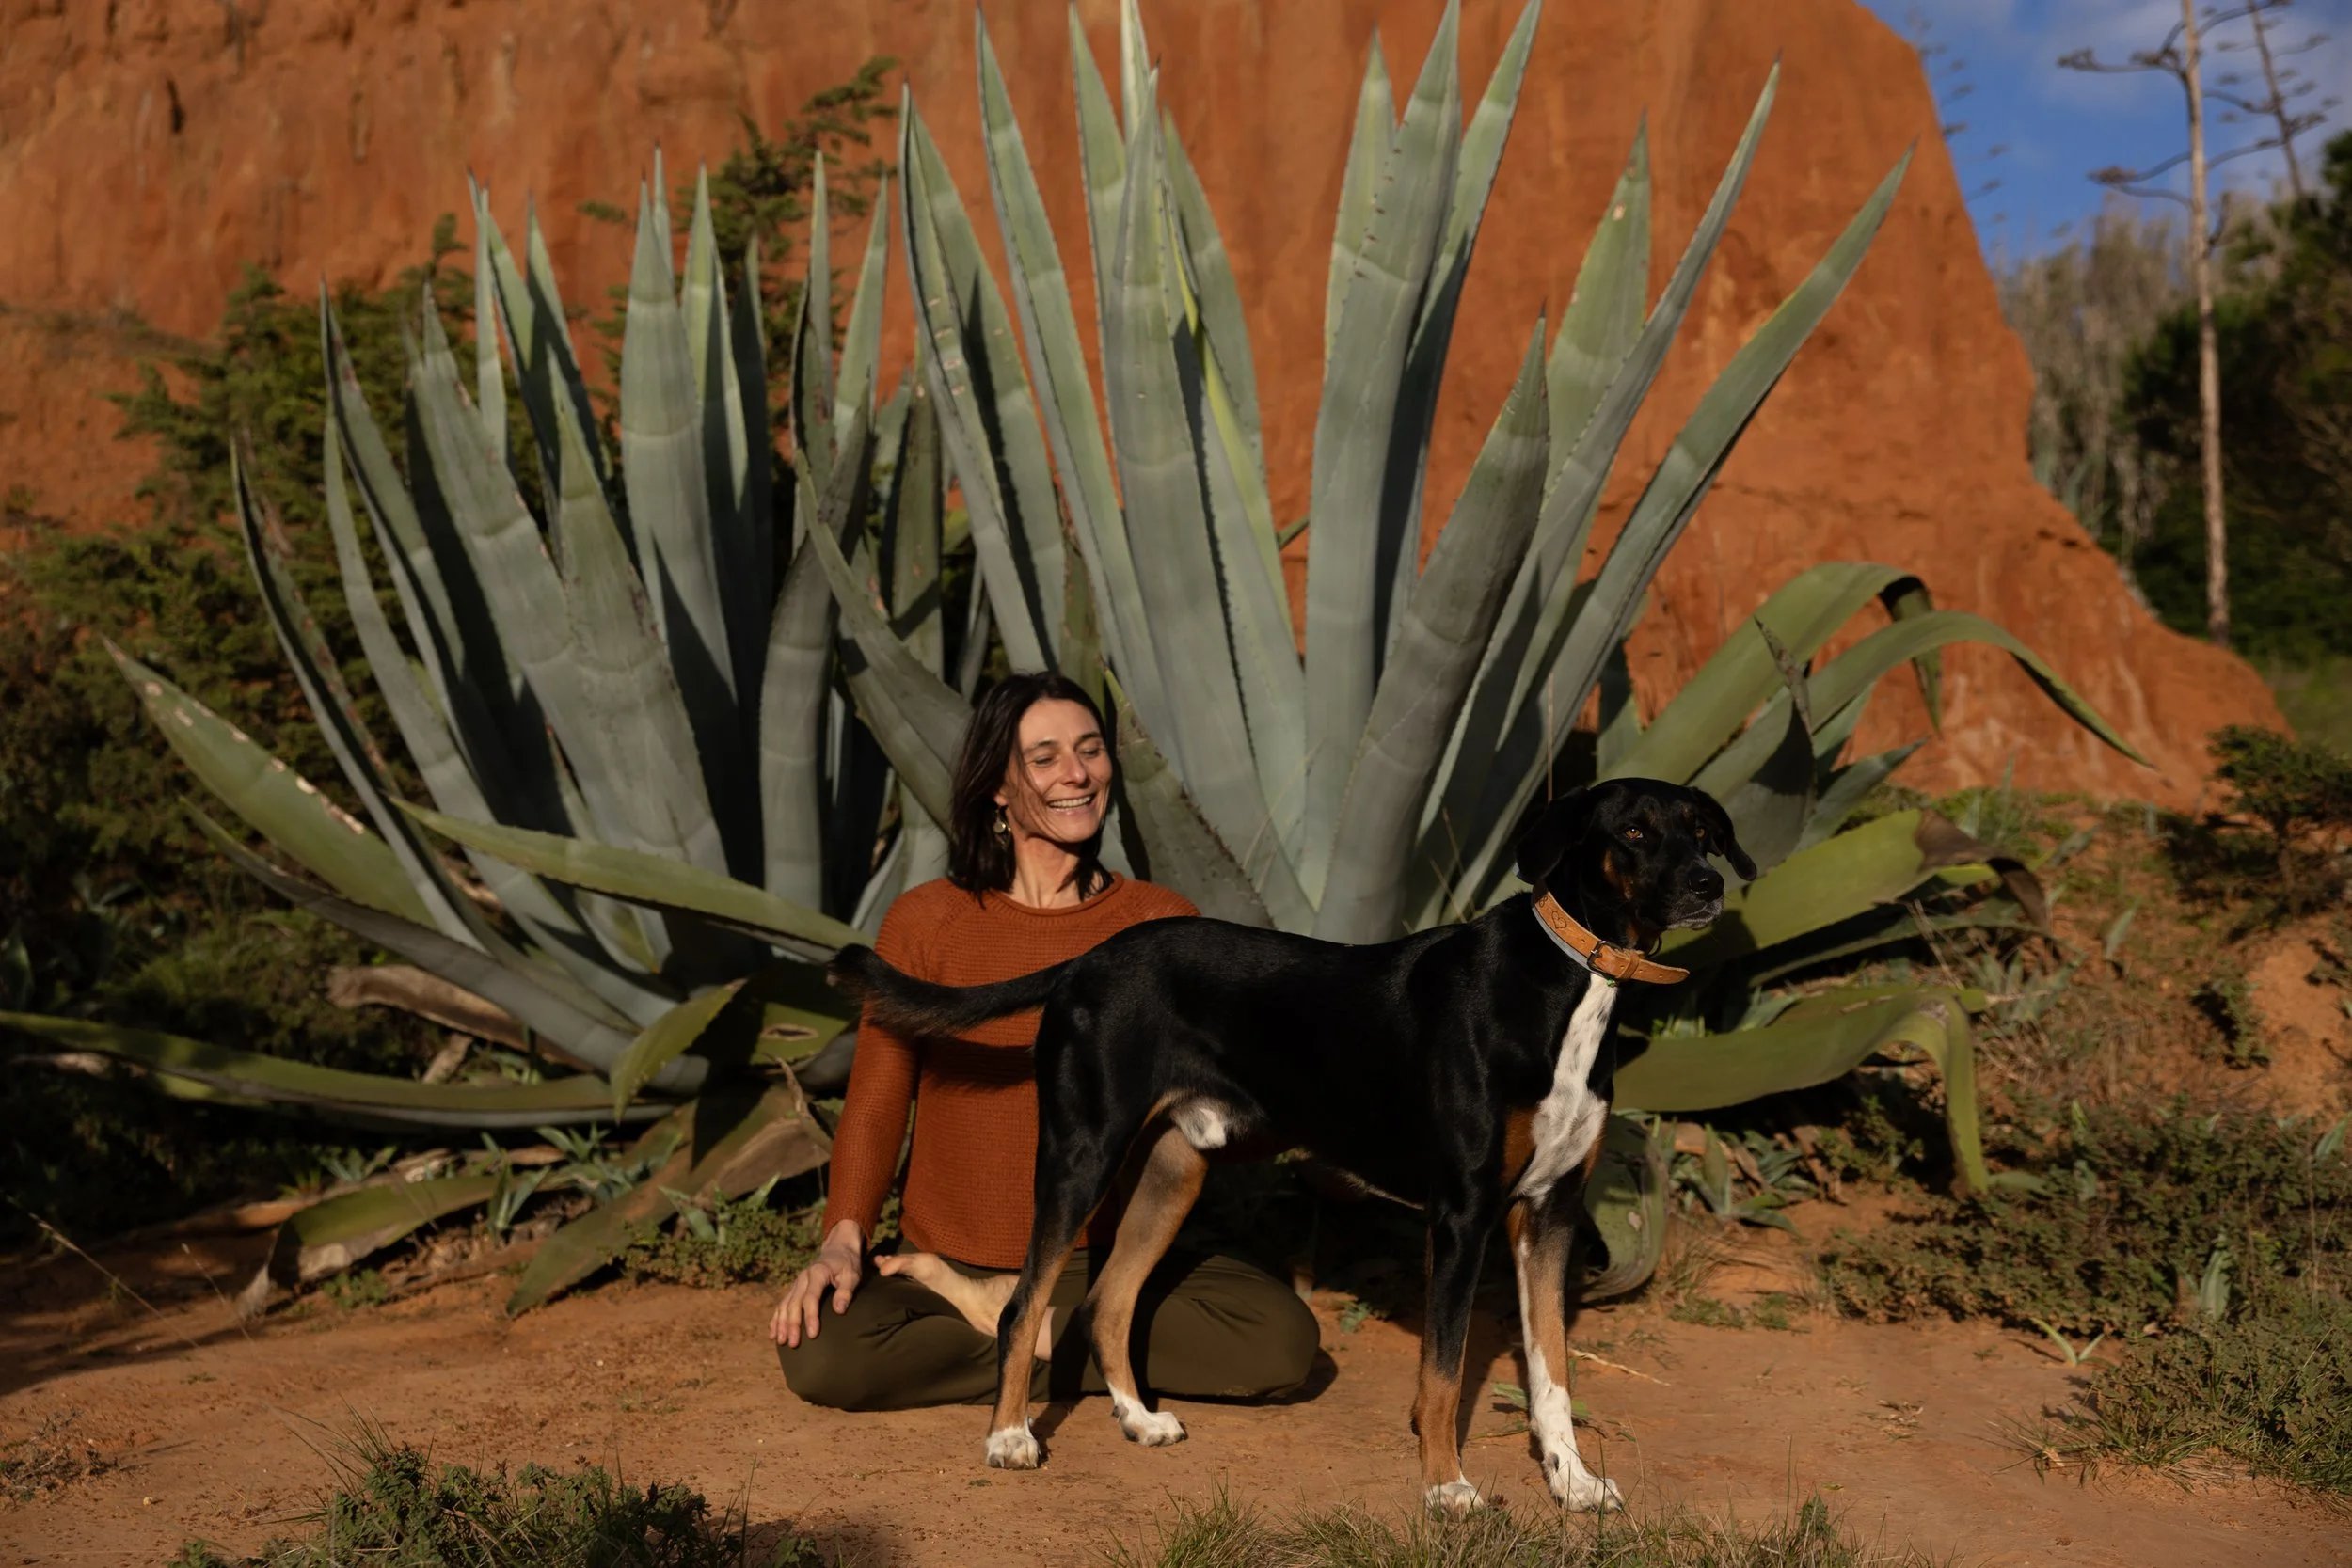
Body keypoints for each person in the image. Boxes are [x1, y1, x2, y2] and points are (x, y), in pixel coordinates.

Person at [771, 672, 1321, 1411]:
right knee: (822, 1356)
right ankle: (1067, 1334)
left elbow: (1215, 1119)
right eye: (1046, 756)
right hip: (945, 1257)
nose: (1077, 773)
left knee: (1279, 1341)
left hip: (1103, 1263)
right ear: (999, 784)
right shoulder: (927, 921)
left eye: (1091, 751)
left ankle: (1012, 1322)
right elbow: (876, 1101)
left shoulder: (1159, 924)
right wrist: (843, 1239)